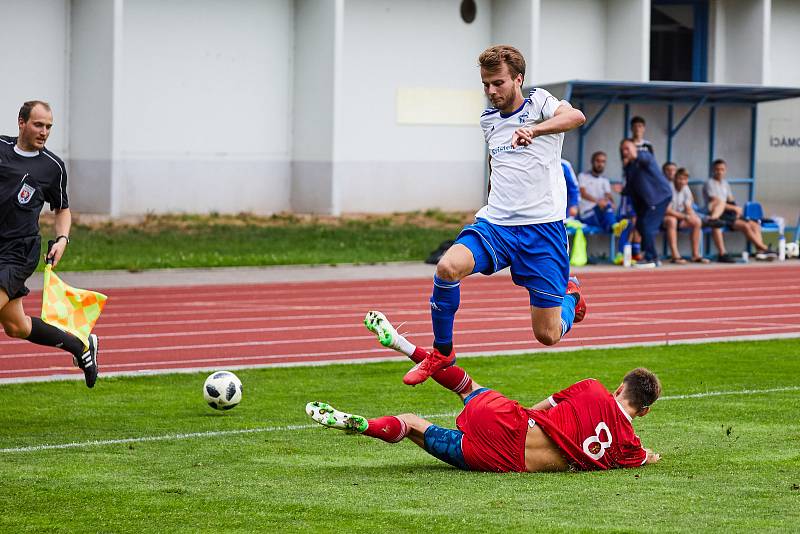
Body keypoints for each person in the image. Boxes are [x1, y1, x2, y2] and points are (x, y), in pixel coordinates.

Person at [406, 45, 587, 387]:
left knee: (547, 334)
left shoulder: (540, 102)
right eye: (486, 84)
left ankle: (571, 296)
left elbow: (576, 117)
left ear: (518, 79)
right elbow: (498, 166)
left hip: (541, 231)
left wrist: (536, 130)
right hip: (498, 225)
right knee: (447, 267)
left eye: (498, 83)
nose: (491, 91)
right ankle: (442, 351)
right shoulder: (488, 120)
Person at [306, 311, 662, 473]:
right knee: (412, 423)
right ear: (643, 411)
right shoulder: (627, 446)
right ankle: (364, 424)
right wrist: (649, 456)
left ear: (619, 387)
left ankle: (402, 343)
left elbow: (545, 404)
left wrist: (519, 413)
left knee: (467, 386)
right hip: (500, 462)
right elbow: (645, 457)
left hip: (512, 421)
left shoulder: (592, 388)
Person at [0, 100, 99, 387]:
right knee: (16, 327)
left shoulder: (52, 166)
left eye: (48, 127)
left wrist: (62, 239)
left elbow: (62, 208)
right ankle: (80, 345)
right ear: (21, 122)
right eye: (38, 125)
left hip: (18, 253)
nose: (44, 132)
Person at [703, 159, 776, 262]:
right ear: (713, 170)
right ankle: (764, 248)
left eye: (722, 169)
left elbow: (731, 200)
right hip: (717, 213)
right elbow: (717, 202)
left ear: (725, 171)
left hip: (728, 213)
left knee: (754, 225)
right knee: (745, 225)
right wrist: (734, 208)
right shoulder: (709, 183)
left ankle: (760, 252)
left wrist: (736, 210)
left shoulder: (725, 184)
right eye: (717, 169)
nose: (720, 171)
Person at [620, 139, 672, 268]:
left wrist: (635, 154)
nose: (625, 152)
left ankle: (651, 258)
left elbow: (645, 159)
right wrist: (622, 191)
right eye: (622, 150)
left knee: (648, 226)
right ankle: (651, 256)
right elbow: (630, 187)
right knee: (641, 225)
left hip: (658, 197)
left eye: (628, 148)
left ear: (635, 147)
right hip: (645, 202)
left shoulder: (644, 155)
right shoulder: (629, 167)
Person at [663, 168, 708, 264]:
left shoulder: (686, 188)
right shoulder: (668, 188)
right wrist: (685, 217)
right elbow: (667, 210)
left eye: (685, 179)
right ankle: (675, 256)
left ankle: (696, 255)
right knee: (672, 220)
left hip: (679, 217)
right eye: (680, 179)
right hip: (664, 218)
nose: (682, 182)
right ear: (675, 178)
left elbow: (688, 207)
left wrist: (692, 216)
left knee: (697, 221)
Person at [577, 151, 617, 232]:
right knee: (608, 218)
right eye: (597, 161)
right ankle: (614, 226)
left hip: (600, 214)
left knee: (627, 221)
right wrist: (599, 202)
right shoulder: (583, 176)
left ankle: (613, 226)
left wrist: (612, 203)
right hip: (586, 214)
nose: (600, 164)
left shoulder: (605, 180)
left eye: (603, 162)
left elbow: (608, 195)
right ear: (592, 162)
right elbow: (583, 193)